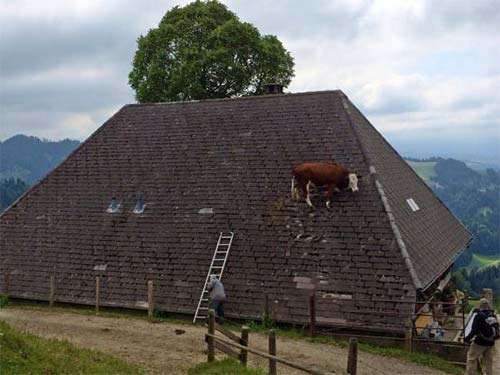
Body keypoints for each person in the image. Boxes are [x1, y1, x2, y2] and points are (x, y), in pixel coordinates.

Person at [464, 298, 499, 375]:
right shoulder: (492, 315)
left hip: (480, 342)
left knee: (472, 358)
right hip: (490, 342)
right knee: (488, 361)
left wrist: (467, 339)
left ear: (480, 305)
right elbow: (496, 329)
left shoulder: (479, 316)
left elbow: (474, 330)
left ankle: (471, 373)